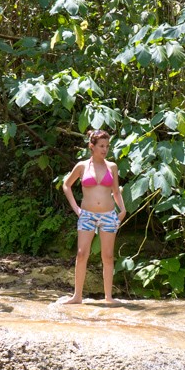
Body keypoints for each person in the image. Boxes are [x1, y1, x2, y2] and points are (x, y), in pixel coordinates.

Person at [61, 130, 128, 304]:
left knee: (107, 255)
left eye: (107, 146)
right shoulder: (82, 166)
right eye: (101, 146)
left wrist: (123, 209)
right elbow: (66, 185)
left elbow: (115, 191)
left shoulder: (112, 166)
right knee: (82, 254)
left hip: (108, 215)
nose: (105, 149)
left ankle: (108, 297)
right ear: (92, 146)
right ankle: (77, 296)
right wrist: (76, 209)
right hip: (87, 215)